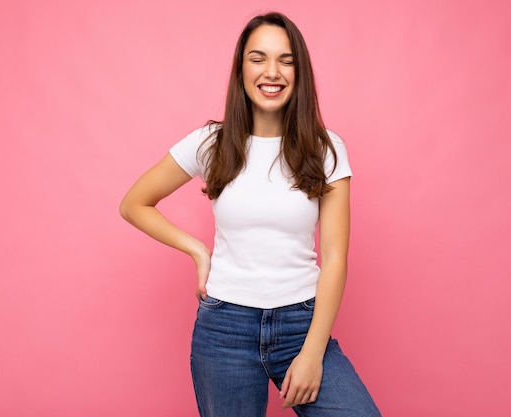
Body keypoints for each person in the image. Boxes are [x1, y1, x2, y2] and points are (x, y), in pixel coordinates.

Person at [119, 12, 382, 417]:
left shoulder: (325, 148)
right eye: (258, 58)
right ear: (241, 68)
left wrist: (313, 353)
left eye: (286, 60)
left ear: (300, 72)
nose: (271, 72)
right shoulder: (211, 142)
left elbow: (334, 259)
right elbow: (133, 203)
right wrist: (197, 251)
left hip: (302, 326)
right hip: (224, 330)